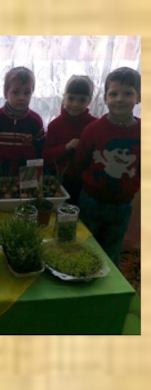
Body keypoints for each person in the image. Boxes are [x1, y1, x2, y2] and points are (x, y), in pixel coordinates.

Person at [73, 67, 140, 266]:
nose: (120, 99)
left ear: (138, 98)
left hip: (122, 205)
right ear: (105, 98)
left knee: (112, 250)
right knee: (85, 247)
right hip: (91, 201)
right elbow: (80, 162)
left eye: (127, 93)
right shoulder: (93, 130)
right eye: (114, 94)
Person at [42, 75, 97, 205]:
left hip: (86, 182)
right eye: (71, 98)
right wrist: (66, 147)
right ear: (64, 97)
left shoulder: (95, 125)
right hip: (60, 180)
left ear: (89, 101)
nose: (75, 104)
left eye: (82, 100)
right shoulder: (55, 125)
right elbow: (46, 155)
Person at [0, 66, 45, 176]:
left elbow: (40, 151)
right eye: (16, 92)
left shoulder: (35, 121)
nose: (21, 97)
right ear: (5, 93)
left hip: (27, 177)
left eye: (26, 93)